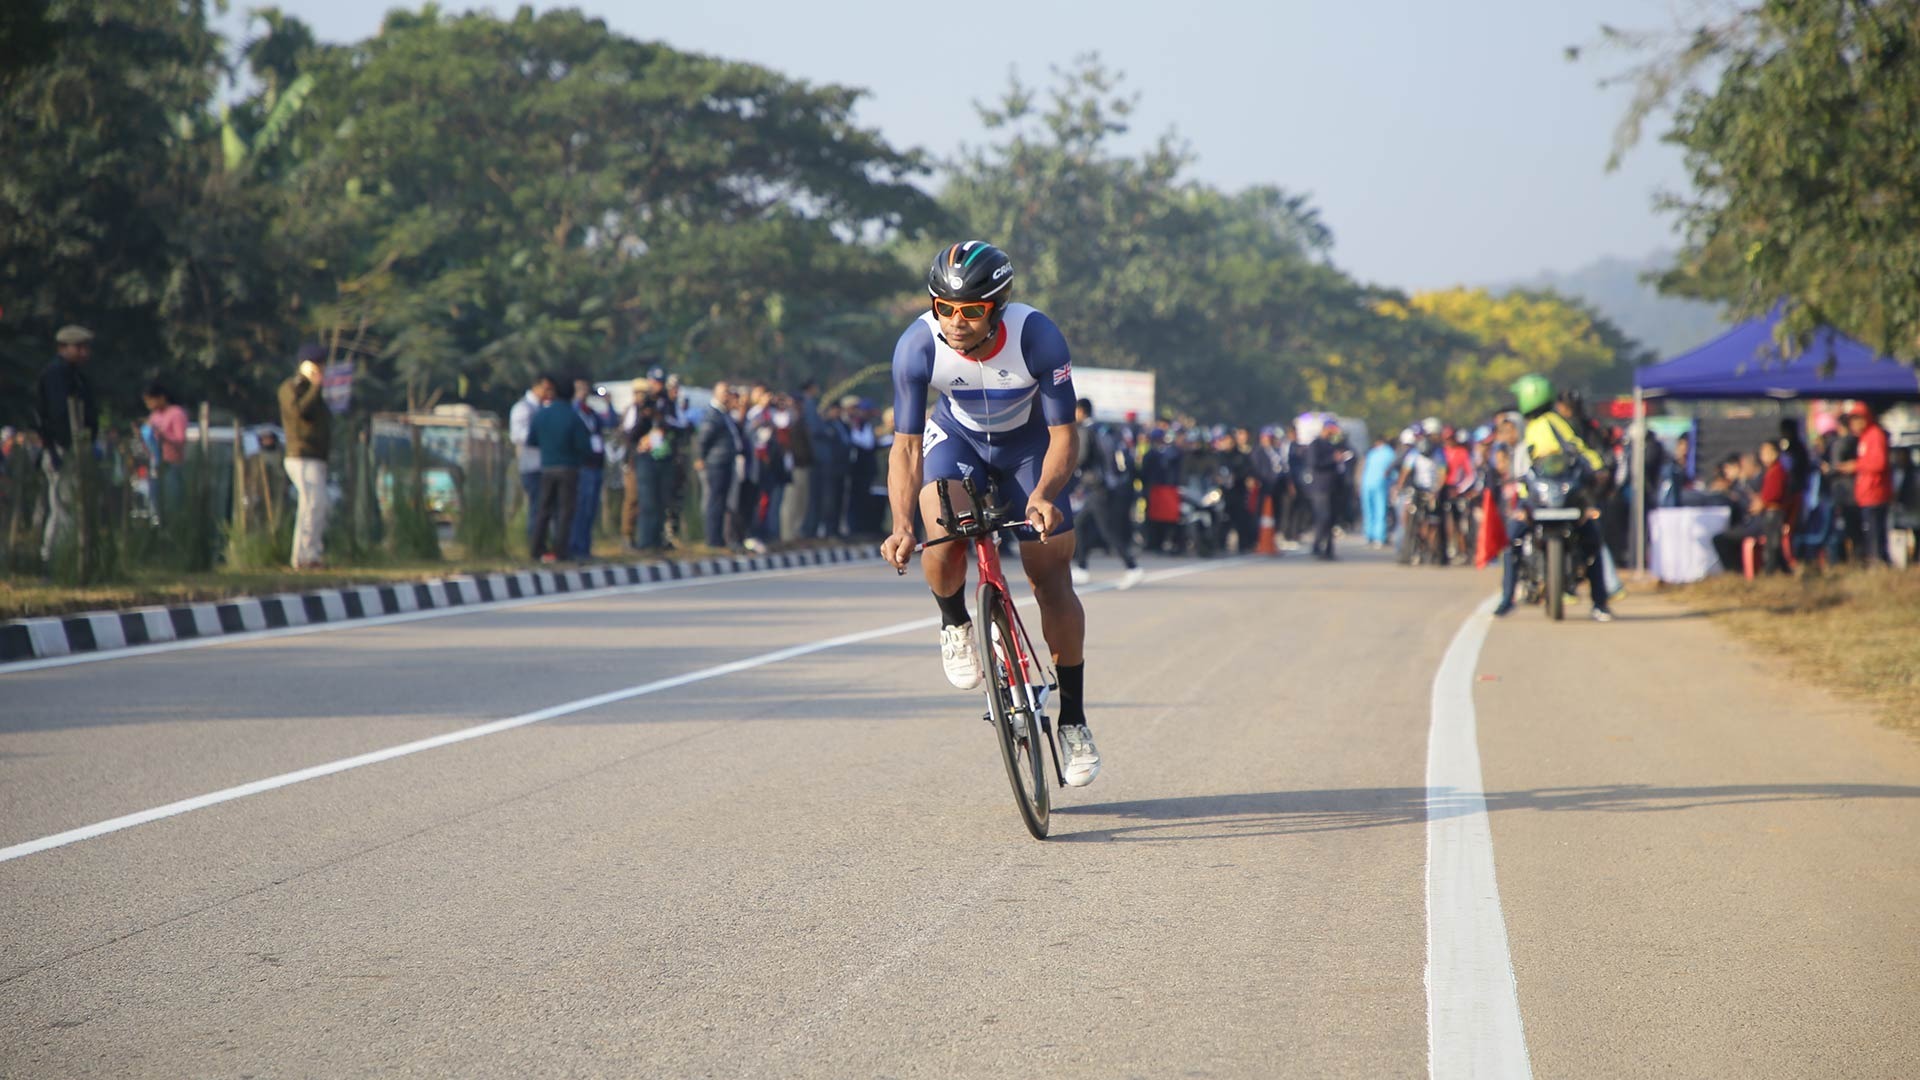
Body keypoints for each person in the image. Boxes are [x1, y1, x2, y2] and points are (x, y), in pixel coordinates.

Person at [880, 240, 1100, 787]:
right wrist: (902, 524)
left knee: (1050, 575)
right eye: (944, 308)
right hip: (957, 440)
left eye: (971, 311)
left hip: (1028, 449)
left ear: (997, 307)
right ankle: (955, 622)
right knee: (943, 529)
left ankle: (1073, 720)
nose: (955, 322)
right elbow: (906, 449)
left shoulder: (1037, 337)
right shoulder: (916, 347)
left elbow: (1063, 436)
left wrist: (1044, 494)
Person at [1510, 373, 1613, 621]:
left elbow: (1575, 449)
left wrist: (1597, 469)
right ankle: (1598, 603)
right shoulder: (1543, 426)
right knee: (1590, 544)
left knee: (1591, 541)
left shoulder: (1546, 425)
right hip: (1548, 497)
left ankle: (1600, 602)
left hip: (1559, 498)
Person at [34, 324, 100, 562]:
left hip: (74, 448)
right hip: (62, 449)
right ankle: (55, 560)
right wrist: (62, 448)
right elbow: (57, 414)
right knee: (64, 507)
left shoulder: (74, 374)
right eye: (79, 347)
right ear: (63, 347)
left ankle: (68, 557)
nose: (84, 353)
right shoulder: (56, 374)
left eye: (85, 347)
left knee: (72, 507)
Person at [1070, 398, 1145, 588]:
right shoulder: (1102, 429)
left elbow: (1083, 457)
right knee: (1080, 524)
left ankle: (1132, 567)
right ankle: (1081, 567)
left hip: (1097, 487)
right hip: (1105, 486)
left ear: (1081, 411)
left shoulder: (1087, 430)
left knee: (1107, 532)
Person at [277, 344, 333, 569]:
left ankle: (313, 554)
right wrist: (315, 387)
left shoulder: (315, 391)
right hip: (300, 455)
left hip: (316, 456)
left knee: (319, 505)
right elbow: (300, 411)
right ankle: (302, 557)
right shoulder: (291, 388)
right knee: (310, 504)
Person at [526, 373, 591, 562]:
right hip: (569, 469)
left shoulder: (542, 414)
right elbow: (584, 446)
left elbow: (532, 440)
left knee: (543, 509)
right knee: (565, 511)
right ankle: (560, 551)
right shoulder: (573, 416)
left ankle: (536, 549)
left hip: (546, 468)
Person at [1711, 440, 1791, 574]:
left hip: (1764, 522)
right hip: (1761, 520)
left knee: (1723, 539)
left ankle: (1738, 572)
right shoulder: (1767, 474)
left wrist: (1762, 502)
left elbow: (1772, 496)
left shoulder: (1770, 474)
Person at [696, 381, 746, 550]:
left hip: (726, 462)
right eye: (724, 392)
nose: (727, 395)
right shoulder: (713, 414)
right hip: (716, 463)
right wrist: (700, 457)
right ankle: (713, 539)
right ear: (715, 393)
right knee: (714, 501)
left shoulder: (724, 414)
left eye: (728, 392)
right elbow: (704, 438)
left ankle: (719, 539)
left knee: (722, 501)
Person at [1841, 402, 1892, 565]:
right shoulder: (1865, 437)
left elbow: (1879, 463)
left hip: (1875, 493)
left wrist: (1856, 465)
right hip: (1867, 494)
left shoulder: (1874, 435)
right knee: (1871, 533)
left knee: (1875, 533)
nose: (1853, 425)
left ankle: (1879, 564)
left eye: (1857, 419)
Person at [567, 378, 611, 559]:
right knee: (580, 508)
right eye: (580, 389)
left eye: (586, 389)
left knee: (591, 509)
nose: (584, 393)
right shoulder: (573, 411)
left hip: (596, 464)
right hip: (582, 466)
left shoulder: (591, 412)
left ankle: (585, 547)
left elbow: (610, 422)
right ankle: (575, 546)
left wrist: (608, 404)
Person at [508, 377, 545, 549]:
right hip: (530, 465)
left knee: (545, 508)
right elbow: (517, 435)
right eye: (546, 389)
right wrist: (542, 438)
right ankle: (534, 546)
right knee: (536, 507)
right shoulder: (523, 408)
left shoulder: (542, 407)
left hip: (545, 465)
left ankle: (542, 544)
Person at [1360, 433, 1397, 549]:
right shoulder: (1390, 453)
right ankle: (1379, 537)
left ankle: (1369, 535)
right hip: (1380, 484)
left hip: (1366, 484)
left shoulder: (1372, 452)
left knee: (1368, 510)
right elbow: (1394, 472)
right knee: (1380, 510)